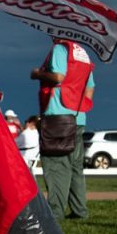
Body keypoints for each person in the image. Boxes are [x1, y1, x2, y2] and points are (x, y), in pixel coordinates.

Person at [30, 39, 95, 221]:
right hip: (78, 116)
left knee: (56, 165)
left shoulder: (60, 48)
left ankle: (55, 213)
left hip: (57, 116)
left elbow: (58, 76)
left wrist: (38, 74)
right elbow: (89, 89)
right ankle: (80, 211)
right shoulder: (83, 55)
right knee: (75, 167)